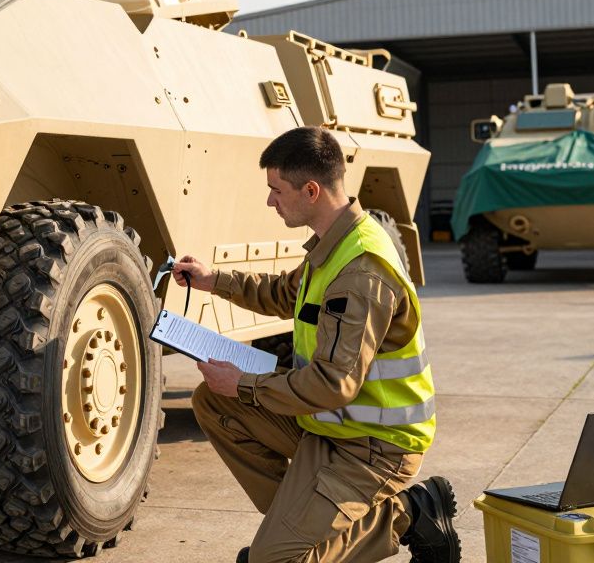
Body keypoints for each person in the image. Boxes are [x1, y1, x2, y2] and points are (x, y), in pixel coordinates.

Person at [173, 126, 459, 563]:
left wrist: (246, 385)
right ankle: (298, 523)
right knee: (214, 400)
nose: (270, 201)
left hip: (375, 445)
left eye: (276, 190)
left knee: (275, 560)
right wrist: (215, 280)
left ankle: (406, 514)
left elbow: (334, 384)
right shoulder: (334, 244)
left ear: (310, 190)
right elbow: (285, 295)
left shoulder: (360, 271)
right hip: (328, 425)